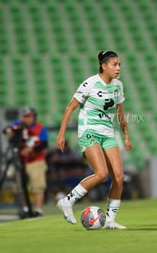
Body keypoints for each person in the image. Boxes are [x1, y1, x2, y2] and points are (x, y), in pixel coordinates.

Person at [56, 50, 132, 229]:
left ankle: (110, 221)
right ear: (104, 66)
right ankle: (67, 201)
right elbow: (70, 108)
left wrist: (126, 135)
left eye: (119, 64)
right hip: (89, 130)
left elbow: (120, 112)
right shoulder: (90, 83)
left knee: (119, 177)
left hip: (107, 133)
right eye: (114, 64)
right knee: (101, 173)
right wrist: (61, 134)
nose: (118, 68)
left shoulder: (118, 86)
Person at [8, 107, 48, 217]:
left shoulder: (40, 128)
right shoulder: (18, 124)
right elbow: (8, 129)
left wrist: (31, 149)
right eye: (25, 116)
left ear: (34, 117)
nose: (26, 119)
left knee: (38, 185)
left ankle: (38, 209)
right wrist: (10, 132)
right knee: (20, 186)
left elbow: (44, 144)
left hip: (36, 160)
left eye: (29, 116)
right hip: (21, 160)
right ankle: (25, 208)